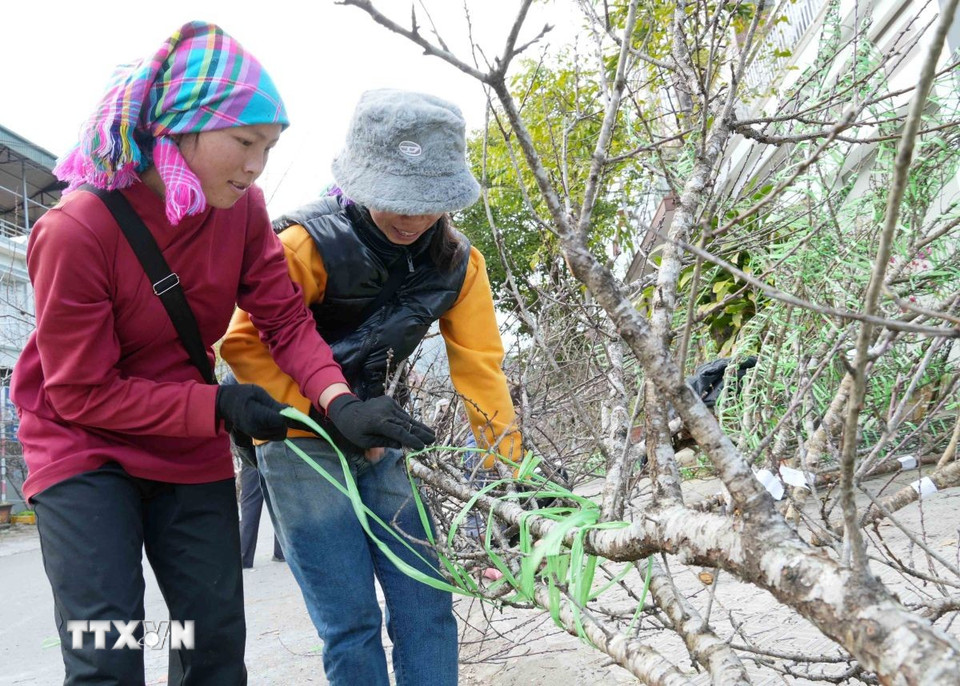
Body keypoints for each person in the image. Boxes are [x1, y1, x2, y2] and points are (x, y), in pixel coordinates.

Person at [11, 25, 431, 686]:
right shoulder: (76, 231)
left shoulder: (240, 210)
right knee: (109, 653)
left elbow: (285, 320)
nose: (256, 165)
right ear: (180, 130)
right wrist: (220, 403)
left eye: (269, 147)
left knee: (211, 649)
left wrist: (341, 404)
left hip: (186, 443)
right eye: (243, 143)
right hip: (83, 446)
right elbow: (79, 393)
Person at [221, 89, 523, 686]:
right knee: (350, 622)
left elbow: (481, 369)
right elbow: (244, 344)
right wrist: (334, 413)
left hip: (382, 440)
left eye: (425, 203)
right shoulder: (304, 243)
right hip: (295, 439)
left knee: (427, 603)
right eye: (392, 200)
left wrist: (505, 476)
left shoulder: (461, 264)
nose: (408, 217)